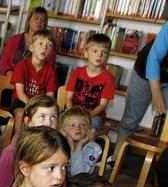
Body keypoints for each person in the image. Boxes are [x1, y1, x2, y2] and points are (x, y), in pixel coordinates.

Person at [114, 21, 168, 160]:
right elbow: (153, 58)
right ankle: (115, 160)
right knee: (130, 120)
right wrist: (156, 94)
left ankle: (160, 170)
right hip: (145, 71)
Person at [0, 95, 58, 187]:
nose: (48, 123)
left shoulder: (58, 150)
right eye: (42, 116)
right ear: (28, 121)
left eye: (53, 117)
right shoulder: (12, 152)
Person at [64, 33, 115, 138]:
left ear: (108, 56)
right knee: (58, 125)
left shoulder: (108, 78)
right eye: (95, 51)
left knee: (91, 131)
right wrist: (72, 114)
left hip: (94, 116)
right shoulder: (77, 72)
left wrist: (86, 117)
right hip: (72, 111)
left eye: (104, 52)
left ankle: (85, 153)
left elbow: (102, 105)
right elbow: (68, 97)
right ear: (86, 53)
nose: (99, 55)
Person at [10, 29, 57, 134]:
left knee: (46, 119)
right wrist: (32, 106)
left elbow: (50, 96)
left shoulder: (50, 71)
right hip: (21, 101)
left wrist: (41, 108)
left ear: (51, 52)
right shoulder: (22, 65)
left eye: (49, 45)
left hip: (40, 104)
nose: (44, 47)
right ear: (31, 47)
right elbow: (20, 93)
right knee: (21, 114)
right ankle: (19, 142)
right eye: (40, 43)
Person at [0, 7, 55, 77]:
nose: (39, 22)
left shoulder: (48, 45)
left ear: (45, 25)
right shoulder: (14, 39)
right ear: (29, 20)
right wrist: (14, 77)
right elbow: (4, 62)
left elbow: (48, 70)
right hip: (9, 79)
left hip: (32, 84)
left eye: (43, 20)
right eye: (36, 18)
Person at [59, 107, 102, 175]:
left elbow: (78, 175)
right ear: (63, 131)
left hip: (80, 183)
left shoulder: (94, 149)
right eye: (72, 125)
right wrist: (70, 147)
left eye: (83, 125)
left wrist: (78, 148)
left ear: (88, 130)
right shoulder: (59, 145)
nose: (78, 128)